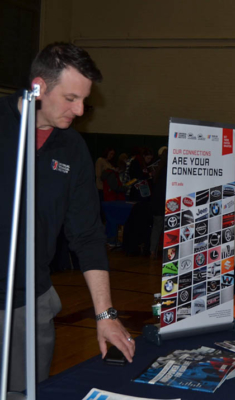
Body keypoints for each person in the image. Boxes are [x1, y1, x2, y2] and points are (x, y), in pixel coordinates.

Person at [0, 42, 135, 392]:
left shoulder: (72, 148)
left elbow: (87, 234)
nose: (80, 110)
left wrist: (105, 315)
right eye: (71, 98)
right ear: (39, 87)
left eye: (84, 100)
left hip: (29, 305)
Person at [150, 148, 168, 258]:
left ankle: (152, 251)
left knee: (156, 228)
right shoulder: (168, 170)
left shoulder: (158, 169)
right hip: (165, 202)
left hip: (156, 202)